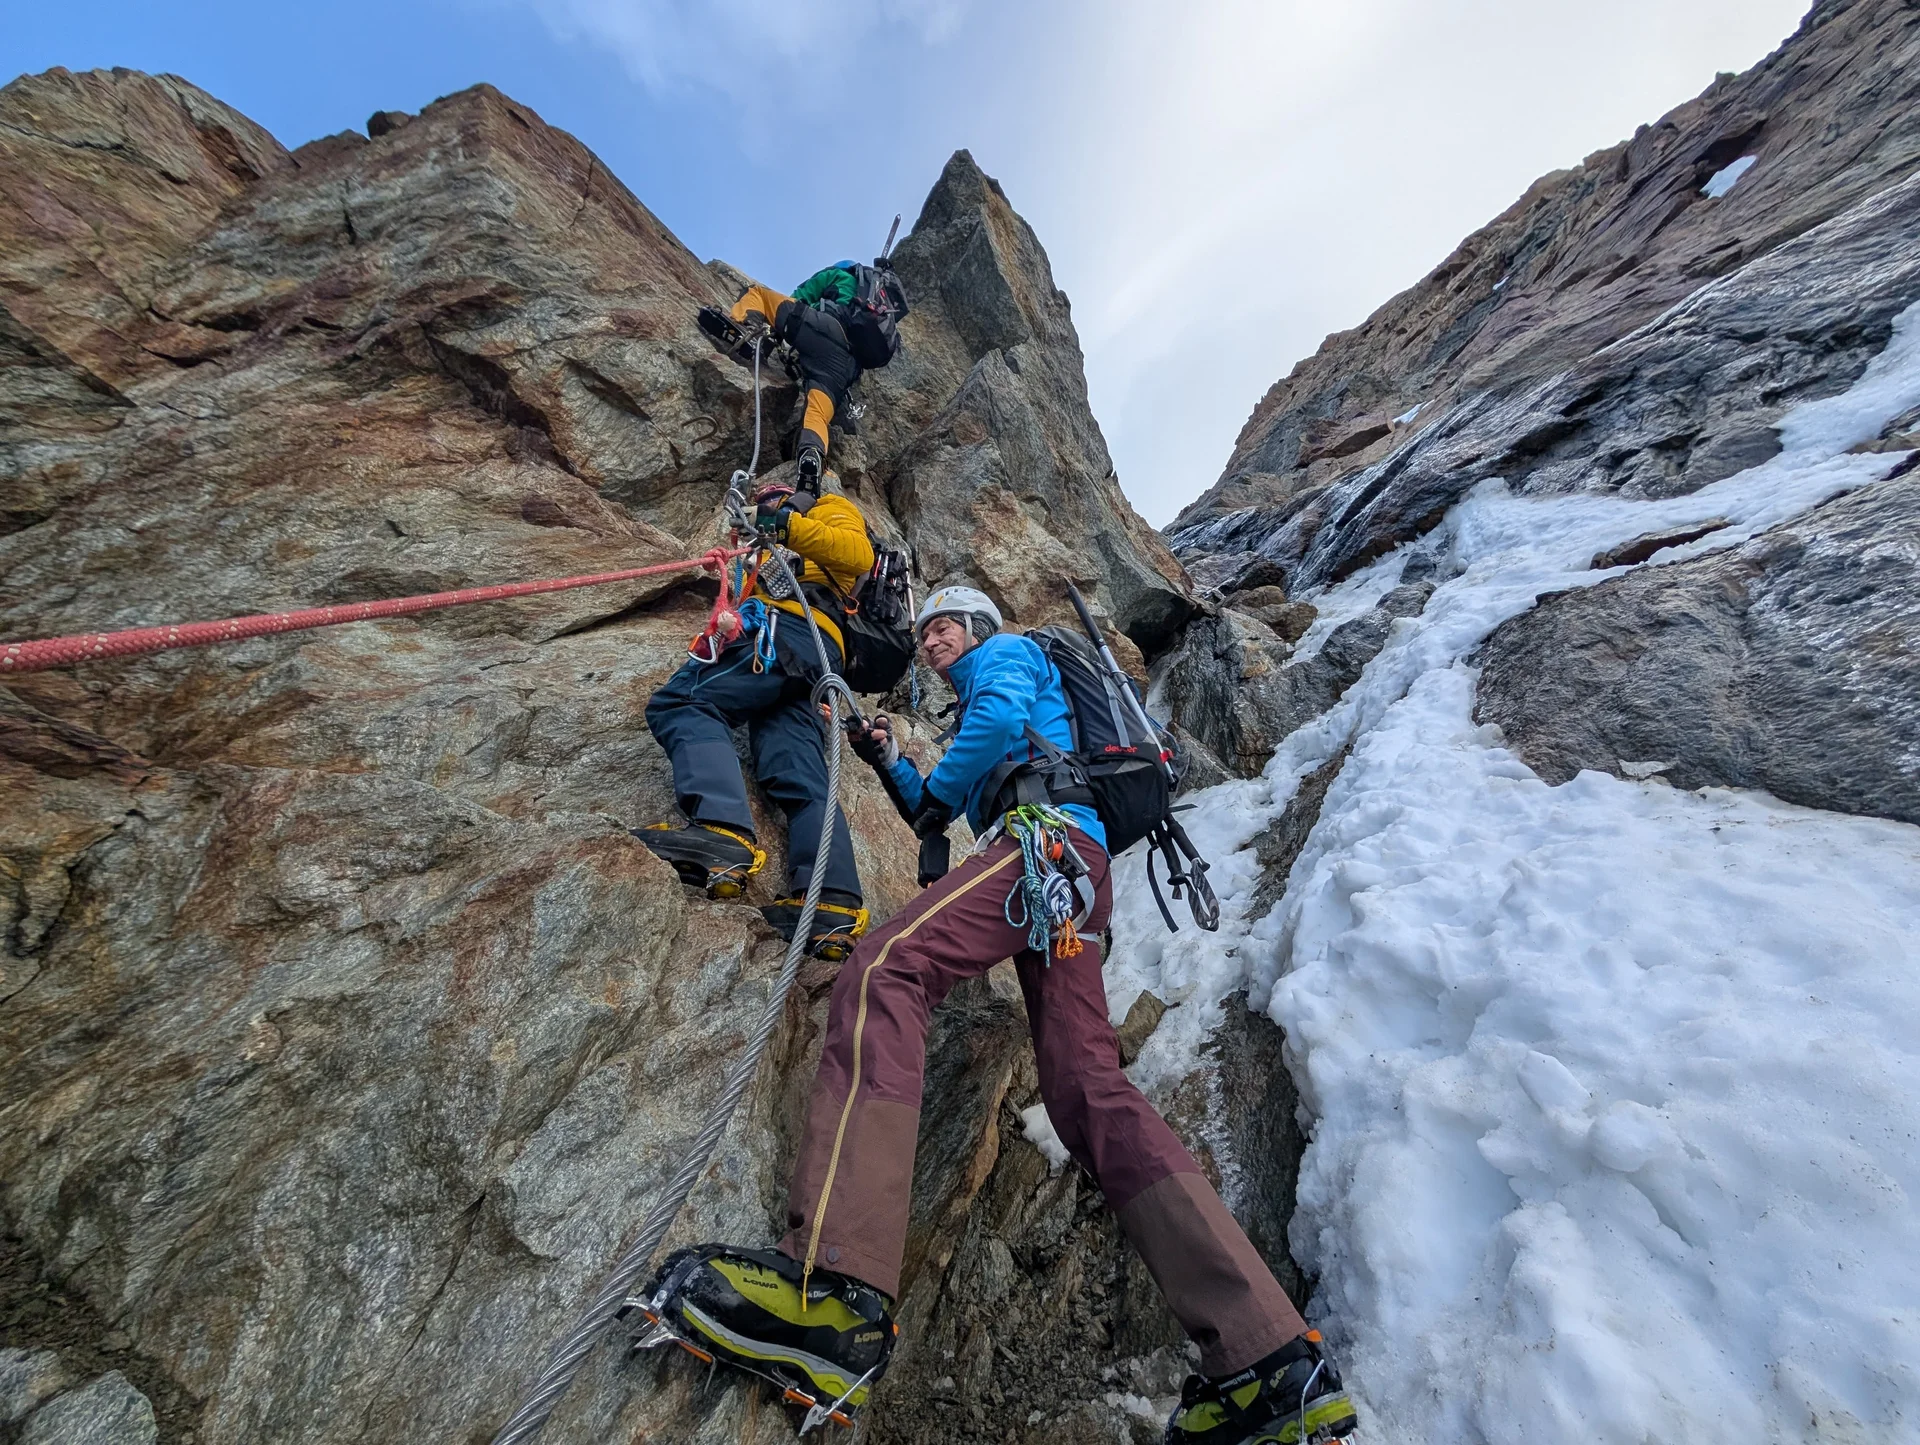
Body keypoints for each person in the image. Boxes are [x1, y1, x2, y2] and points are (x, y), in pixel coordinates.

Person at [644, 586, 1361, 1445]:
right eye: (927, 632)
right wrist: (891, 764)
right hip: (1072, 871)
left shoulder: (1007, 656)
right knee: (1086, 1089)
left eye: (943, 625)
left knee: (884, 970)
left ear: (978, 628)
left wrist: (941, 782)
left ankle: (832, 1296)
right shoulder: (994, 698)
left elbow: (984, 741)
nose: (932, 639)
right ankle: (1269, 1361)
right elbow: (934, 805)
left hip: (1040, 841)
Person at [636, 467, 875, 960]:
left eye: (775, 496)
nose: (765, 502)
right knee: (797, 772)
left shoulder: (827, 510)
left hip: (791, 631)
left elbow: (857, 554)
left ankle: (722, 830)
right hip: (809, 655)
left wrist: (782, 522)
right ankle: (830, 904)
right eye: (761, 499)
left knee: (683, 702)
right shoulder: (769, 551)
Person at [696, 260, 898, 489]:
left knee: (760, 295)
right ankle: (811, 456)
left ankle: (746, 329)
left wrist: (781, 329)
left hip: (826, 330)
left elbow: (800, 296)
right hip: (846, 367)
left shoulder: (838, 276)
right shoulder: (875, 315)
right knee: (818, 414)